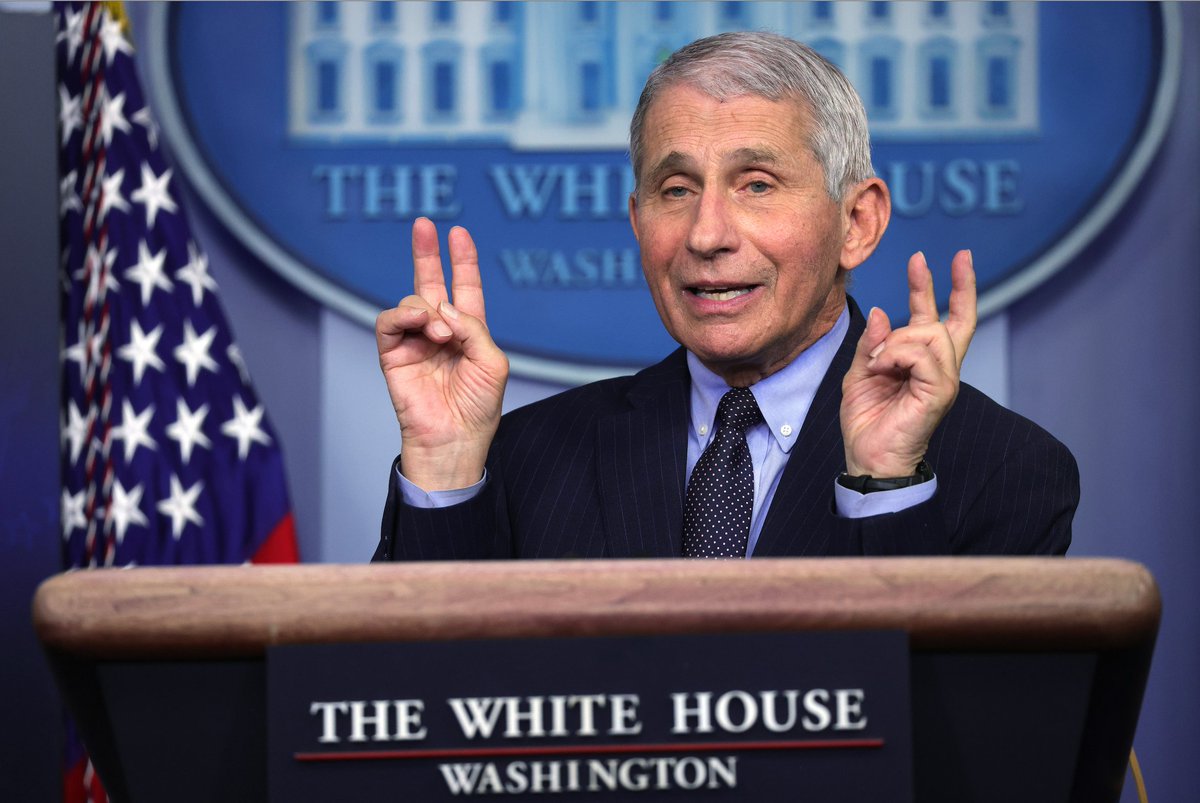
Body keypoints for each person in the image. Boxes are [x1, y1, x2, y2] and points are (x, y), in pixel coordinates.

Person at [372, 32, 1077, 561]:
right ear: (638, 222)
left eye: (757, 185)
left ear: (856, 223)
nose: (706, 235)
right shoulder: (522, 457)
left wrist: (886, 491)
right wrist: (445, 465)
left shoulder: (1004, 469)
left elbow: (951, 713)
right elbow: (415, 698)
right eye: (676, 190)